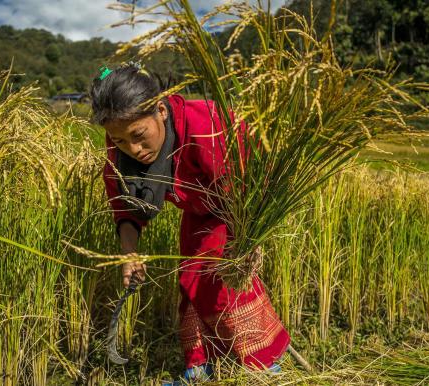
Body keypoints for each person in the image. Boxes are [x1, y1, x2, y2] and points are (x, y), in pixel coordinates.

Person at [90, 63, 289, 383]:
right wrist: (129, 253)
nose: (133, 149)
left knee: (218, 278)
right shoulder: (120, 146)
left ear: (160, 110)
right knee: (190, 280)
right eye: (120, 141)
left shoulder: (206, 125)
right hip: (198, 209)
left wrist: (248, 238)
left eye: (139, 136)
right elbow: (122, 203)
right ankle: (201, 367)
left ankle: (261, 365)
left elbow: (247, 184)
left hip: (239, 202)